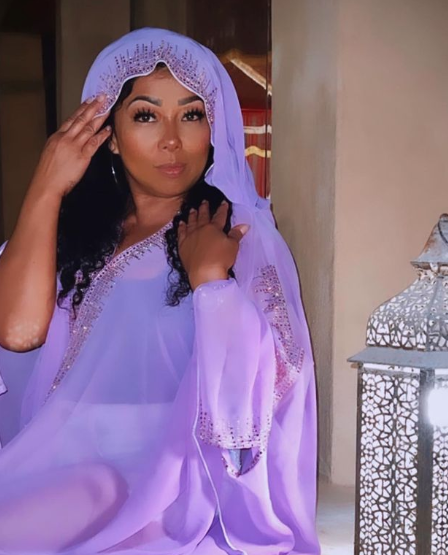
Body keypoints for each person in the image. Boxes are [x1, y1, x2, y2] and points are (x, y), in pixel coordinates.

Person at [0, 28, 320, 555]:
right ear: (110, 134)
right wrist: (47, 185)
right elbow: (17, 332)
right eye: (146, 116)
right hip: (55, 462)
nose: (172, 140)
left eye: (191, 115)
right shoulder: (71, 234)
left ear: (213, 128)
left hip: (165, 482)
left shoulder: (237, 233)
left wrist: (212, 283)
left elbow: (274, 385)